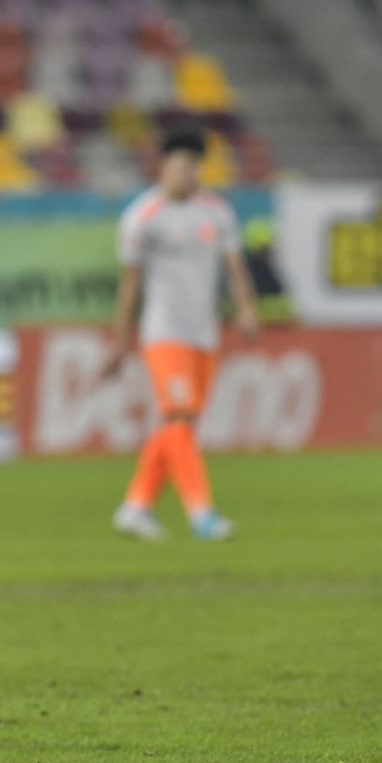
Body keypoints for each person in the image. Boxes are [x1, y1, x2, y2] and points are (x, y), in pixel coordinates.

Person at [102, 127, 259, 541]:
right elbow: (130, 284)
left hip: (205, 334)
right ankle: (202, 515)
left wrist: (245, 309)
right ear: (164, 166)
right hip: (164, 331)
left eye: (196, 166)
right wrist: (121, 339)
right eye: (183, 165)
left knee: (179, 427)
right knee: (179, 416)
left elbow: (234, 267)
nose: (190, 174)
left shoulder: (217, 213)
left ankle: (135, 507)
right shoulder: (142, 216)